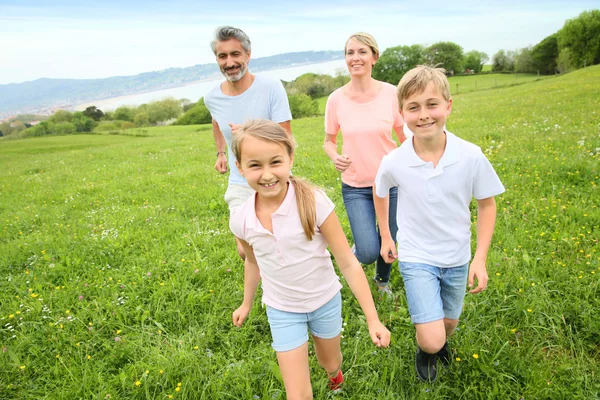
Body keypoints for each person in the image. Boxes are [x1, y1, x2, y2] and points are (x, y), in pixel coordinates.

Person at [230, 119, 391, 398]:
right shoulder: (241, 219)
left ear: (291, 158)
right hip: (282, 309)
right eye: (255, 165)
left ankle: (334, 374)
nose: (267, 174)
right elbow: (252, 261)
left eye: (275, 162)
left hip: (324, 300)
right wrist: (246, 303)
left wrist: (373, 319)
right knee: (298, 394)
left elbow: (349, 262)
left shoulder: (313, 201)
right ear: (239, 167)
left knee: (329, 361)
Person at [373, 65, 505, 382]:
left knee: (448, 325)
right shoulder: (394, 161)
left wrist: (480, 258)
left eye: (432, 104)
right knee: (432, 340)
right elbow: (380, 193)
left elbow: (487, 205)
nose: (424, 115)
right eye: (413, 107)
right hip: (417, 256)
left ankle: (438, 338)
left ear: (447, 105)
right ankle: (428, 347)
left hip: (457, 257)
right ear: (402, 112)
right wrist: (386, 237)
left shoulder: (470, 156)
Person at [323, 32, 406, 297]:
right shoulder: (336, 99)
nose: (355, 58)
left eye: (361, 52)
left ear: (374, 57)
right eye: (350, 52)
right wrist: (335, 157)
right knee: (369, 250)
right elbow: (328, 141)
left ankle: (382, 281)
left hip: (389, 185)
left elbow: (405, 138)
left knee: (389, 239)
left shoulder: (392, 94)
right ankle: (355, 256)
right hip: (355, 186)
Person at [205, 26, 292, 260]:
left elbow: (286, 137)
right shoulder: (212, 97)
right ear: (217, 60)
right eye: (222, 56)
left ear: (248, 55)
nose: (230, 62)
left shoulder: (271, 87)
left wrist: (249, 133)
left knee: (281, 242)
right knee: (245, 250)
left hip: (273, 175)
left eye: (235, 54)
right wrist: (220, 153)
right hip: (239, 180)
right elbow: (216, 120)